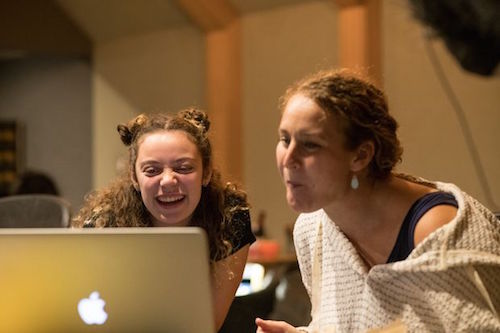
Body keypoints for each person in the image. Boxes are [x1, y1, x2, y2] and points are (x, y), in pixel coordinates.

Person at [256, 69, 500, 332]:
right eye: (285, 139)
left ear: (361, 155)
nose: (288, 159)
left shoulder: (438, 232)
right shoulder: (311, 229)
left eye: (310, 145)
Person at [72, 108, 256, 331]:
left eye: (184, 168)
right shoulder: (105, 223)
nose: (168, 180)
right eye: (152, 170)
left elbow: (205, 324)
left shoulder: (229, 217)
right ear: (134, 177)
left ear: (206, 172)